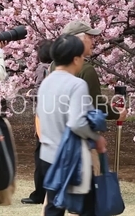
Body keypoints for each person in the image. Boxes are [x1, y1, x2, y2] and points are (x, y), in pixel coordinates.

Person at [37, 34, 107, 216]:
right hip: (71, 157)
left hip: (47, 155)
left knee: (54, 206)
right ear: (76, 59)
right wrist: (96, 137)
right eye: (82, 57)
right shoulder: (77, 85)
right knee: (87, 207)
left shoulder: (46, 82)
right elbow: (77, 123)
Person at [50, 20, 127, 121]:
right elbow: (95, 104)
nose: (93, 42)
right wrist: (116, 113)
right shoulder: (86, 70)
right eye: (90, 38)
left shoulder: (54, 65)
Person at [21, 39, 53, 205]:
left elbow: (40, 91)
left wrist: (30, 94)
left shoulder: (43, 68)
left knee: (41, 155)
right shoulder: (59, 68)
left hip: (43, 116)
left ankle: (39, 193)